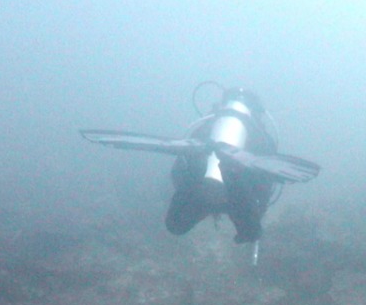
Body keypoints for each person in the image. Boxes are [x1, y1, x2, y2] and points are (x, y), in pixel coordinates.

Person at [82, 84, 319, 248]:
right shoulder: (260, 137)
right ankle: (231, 173)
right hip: (235, 197)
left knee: (175, 226)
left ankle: (223, 172)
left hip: (200, 188)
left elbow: (178, 172)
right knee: (251, 233)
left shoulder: (205, 128)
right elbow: (264, 188)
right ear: (257, 113)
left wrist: (193, 184)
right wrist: (239, 190)